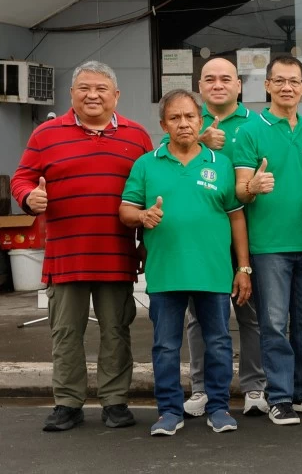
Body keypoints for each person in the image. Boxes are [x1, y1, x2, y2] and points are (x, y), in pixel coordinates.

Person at [11, 61, 153, 432]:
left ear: (116, 95)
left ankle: (115, 400)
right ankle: (68, 403)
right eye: (84, 88)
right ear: (71, 94)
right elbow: (23, 178)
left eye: (101, 88)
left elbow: (149, 192)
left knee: (116, 331)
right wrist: (29, 198)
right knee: (66, 332)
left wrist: (144, 243)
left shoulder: (138, 136)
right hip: (66, 254)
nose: (93, 95)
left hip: (116, 255)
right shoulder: (45, 134)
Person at [119, 90, 252, 436]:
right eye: (175, 118)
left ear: (200, 120)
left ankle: (219, 407)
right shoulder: (147, 164)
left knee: (220, 342)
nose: (183, 124)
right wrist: (142, 216)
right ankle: (168, 411)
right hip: (165, 271)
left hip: (213, 271)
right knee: (165, 345)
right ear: (163, 124)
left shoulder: (220, 163)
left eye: (190, 117)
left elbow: (237, 218)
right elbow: (125, 210)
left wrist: (243, 267)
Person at [231, 55, 302, 425]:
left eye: (294, 81)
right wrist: (252, 187)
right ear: (267, 85)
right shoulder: (250, 131)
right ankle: (279, 396)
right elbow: (240, 193)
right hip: (268, 247)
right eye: (280, 81)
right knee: (274, 324)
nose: (287, 87)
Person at [170, 58, 268, 418]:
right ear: (200, 85)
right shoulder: (186, 123)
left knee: (250, 311)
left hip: (247, 232)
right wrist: (198, 138)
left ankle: (255, 387)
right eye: (210, 79)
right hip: (200, 240)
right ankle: (201, 389)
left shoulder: (257, 124)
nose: (218, 84)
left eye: (226, 79)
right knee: (198, 318)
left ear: (239, 85)